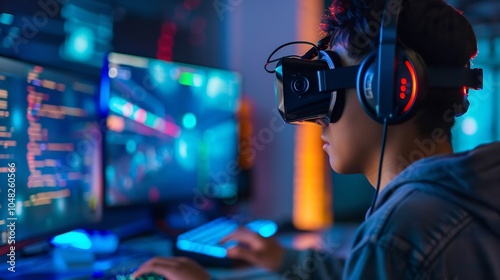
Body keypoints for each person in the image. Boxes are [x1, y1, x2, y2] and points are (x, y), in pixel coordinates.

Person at [132, 0, 500, 279]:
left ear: (386, 88)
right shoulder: (471, 190)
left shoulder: (397, 233)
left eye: (331, 79)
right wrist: (286, 260)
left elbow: (385, 258)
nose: (317, 118)